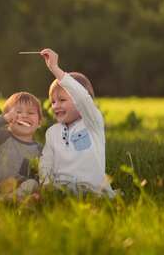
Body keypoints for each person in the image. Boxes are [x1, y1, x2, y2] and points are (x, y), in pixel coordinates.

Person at [38, 48, 114, 196]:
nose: (56, 106)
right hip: (62, 190)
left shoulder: (92, 122)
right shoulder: (52, 132)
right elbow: (46, 162)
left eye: (62, 100)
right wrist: (46, 185)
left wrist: (54, 69)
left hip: (92, 190)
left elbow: (81, 97)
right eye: (53, 102)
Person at [0, 92, 42, 193]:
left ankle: (10, 200)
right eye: (18, 112)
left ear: (39, 122)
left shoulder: (39, 149)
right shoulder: (3, 138)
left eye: (30, 113)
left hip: (18, 192)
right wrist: (5, 118)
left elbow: (40, 175)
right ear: (8, 119)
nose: (24, 116)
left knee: (32, 184)